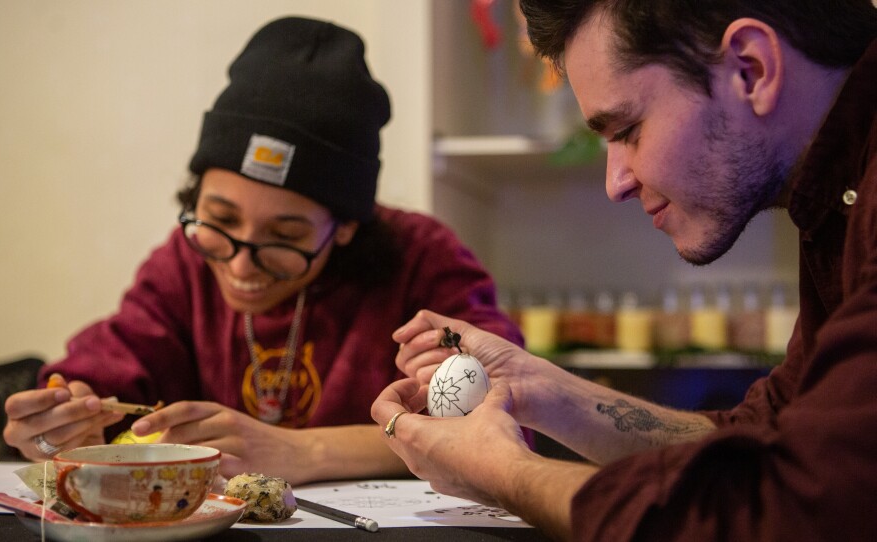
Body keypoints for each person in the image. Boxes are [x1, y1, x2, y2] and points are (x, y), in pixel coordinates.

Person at [371, 1, 877, 540]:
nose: (616, 183)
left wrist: (501, 472)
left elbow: (789, 511)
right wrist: (538, 387)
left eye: (628, 130)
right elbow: (770, 428)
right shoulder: (838, 193)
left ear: (752, 68)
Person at [2, 16, 522, 485]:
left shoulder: (420, 259)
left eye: (286, 236)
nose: (239, 264)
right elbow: (103, 373)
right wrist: (57, 428)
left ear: (345, 227)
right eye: (221, 219)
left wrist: (305, 451)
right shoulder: (188, 262)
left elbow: (511, 408)